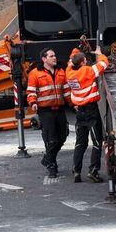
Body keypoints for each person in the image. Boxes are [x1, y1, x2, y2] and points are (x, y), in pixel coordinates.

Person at [66, 45, 109, 183]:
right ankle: (93, 171)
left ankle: (76, 171)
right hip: (91, 110)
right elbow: (103, 64)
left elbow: (71, 61)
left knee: (80, 143)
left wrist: (78, 51)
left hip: (79, 111)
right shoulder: (87, 71)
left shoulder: (69, 72)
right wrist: (99, 53)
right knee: (97, 142)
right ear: (83, 62)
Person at [26, 48, 68, 178]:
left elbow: (66, 91)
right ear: (44, 59)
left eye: (55, 55)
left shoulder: (61, 71)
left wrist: (74, 104)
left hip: (59, 109)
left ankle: (47, 159)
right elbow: (31, 91)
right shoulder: (35, 73)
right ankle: (51, 166)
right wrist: (33, 102)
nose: (55, 58)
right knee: (51, 140)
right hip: (45, 111)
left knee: (63, 136)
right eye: (51, 56)